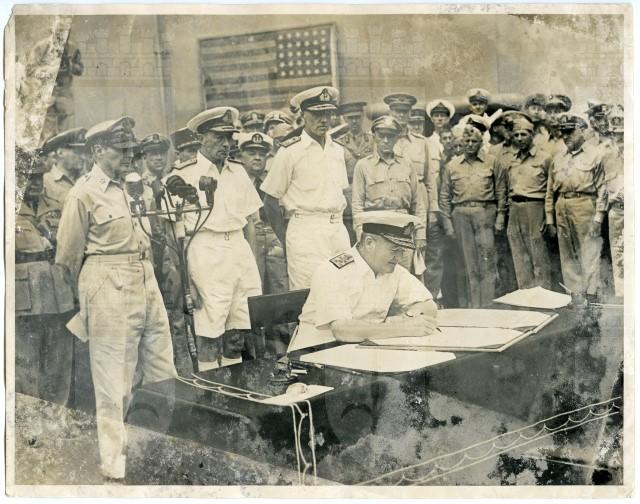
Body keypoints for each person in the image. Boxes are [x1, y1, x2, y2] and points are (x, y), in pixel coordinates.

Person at [55, 117, 177, 481]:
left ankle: (155, 447)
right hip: (107, 280)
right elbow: (67, 257)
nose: (127, 157)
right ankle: (115, 461)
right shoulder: (84, 193)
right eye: (119, 150)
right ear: (97, 151)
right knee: (114, 380)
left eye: (129, 150)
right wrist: (88, 302)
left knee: (162, 370)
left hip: (145, 277)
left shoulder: (135, 188)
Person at [178, 106, 263, 370]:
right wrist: (187, 284)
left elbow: (250, 223)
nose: (226, 144)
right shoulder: (183, 175)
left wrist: (253, 266)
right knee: (209, 334)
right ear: (201, 137)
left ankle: (233, 384)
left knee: (238, 333)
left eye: (229, 137)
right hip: (206, 251)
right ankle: (209, 387)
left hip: (238, 248)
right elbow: (177, 235)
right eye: (218, 137)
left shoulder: (238, 171)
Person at [288, 211, 438, 352]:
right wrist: (406, 327)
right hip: (316, 353)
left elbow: (429, 306)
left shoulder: (392, 269)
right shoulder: (333, 271)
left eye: (402, 251)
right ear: (369, 243)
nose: (399, 258)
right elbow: (342, 330)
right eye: (394, 250)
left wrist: (405, 318)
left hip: (360, 350)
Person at [260, 86, 351, 290]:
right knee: (310, 293)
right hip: (306, 230)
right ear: (303, 115)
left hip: (337, 229)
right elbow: (270, 201)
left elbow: (341, 193)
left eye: (327, 113)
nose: (323, 120)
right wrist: (286, 237)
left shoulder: (337, 150)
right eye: (317, 114)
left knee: (344, 289)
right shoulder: (290, 151)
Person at [15, 147, 75, 404]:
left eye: (39, 177)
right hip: (24, 299)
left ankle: (58, 414)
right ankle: (29, 416)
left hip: (58, 295)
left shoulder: (56, 206)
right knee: (26, 364)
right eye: (29, 177)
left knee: (59, 363)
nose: (36, 183)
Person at [440, 116, 507, 307]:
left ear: (481, 142)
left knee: (486, 261)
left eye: (474, 141)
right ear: (461, 142)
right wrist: (448, 225)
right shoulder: (452, 166)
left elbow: (501, 191)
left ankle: (487, 305)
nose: (470, 145)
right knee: (467, 264)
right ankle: (470, 306)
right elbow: (444, 197)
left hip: (485, 214)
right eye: (466, 141)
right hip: (460, 215)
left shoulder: (492, 162)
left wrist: (500, 217)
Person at [351, 115, 426, 272]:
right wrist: (360, 234)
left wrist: (420, 234)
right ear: (374, 136)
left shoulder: (407, 165)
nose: (386, 140)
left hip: (403, 230)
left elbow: (417, 204)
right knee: (377, 276)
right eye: (381, 136)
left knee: (404, 275)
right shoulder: (363, 166)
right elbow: (357, 204)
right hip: (376, 229)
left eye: (390, 136)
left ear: (396, 138)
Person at [544, 114, 606, 303]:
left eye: (570, 131)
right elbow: (550, 190)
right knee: (568, 258)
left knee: (589, 255)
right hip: (562, 206)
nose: (565, 136)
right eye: (562, 132)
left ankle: (592, 302)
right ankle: (576, 301)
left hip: (585, 205)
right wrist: (550, 219)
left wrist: (598, 218)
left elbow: (603, 189)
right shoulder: (558, 157)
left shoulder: (596, 154)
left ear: (582, 131)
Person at [499, 114, 553, 289]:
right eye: (516, 135)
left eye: (524, 134)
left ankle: (543, 297)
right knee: (519, 256)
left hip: (535, 208)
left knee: (538, 256)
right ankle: (526, 296)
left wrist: (548, 217)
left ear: (532, 135)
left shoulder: (545, 158)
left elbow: (551, 190)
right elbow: (507, 187)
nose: (520, 138)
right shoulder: (511, 159)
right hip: (515, 209)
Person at [237, 131, 288, 294]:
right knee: (254, 285)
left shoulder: (273, 179)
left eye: (262, 154)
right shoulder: (236, 180)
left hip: (274, 236)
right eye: (252, 153)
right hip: (248, 237)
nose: (257, 158)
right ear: (241, 156)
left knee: (281, 284)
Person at [599, 104, 624, 298]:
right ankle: (623, 297)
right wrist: (599, 214)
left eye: (622, 134)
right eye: (615, 135)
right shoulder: (607, 155)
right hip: (617, 211)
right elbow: (603, 186)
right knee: (619, 255)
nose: (619, 139)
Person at [42, 127, 87, 204]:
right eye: (77, 152)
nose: (83, 157)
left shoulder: (86, 178)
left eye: (83, 152)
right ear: (60, 153)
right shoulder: (46, 181)